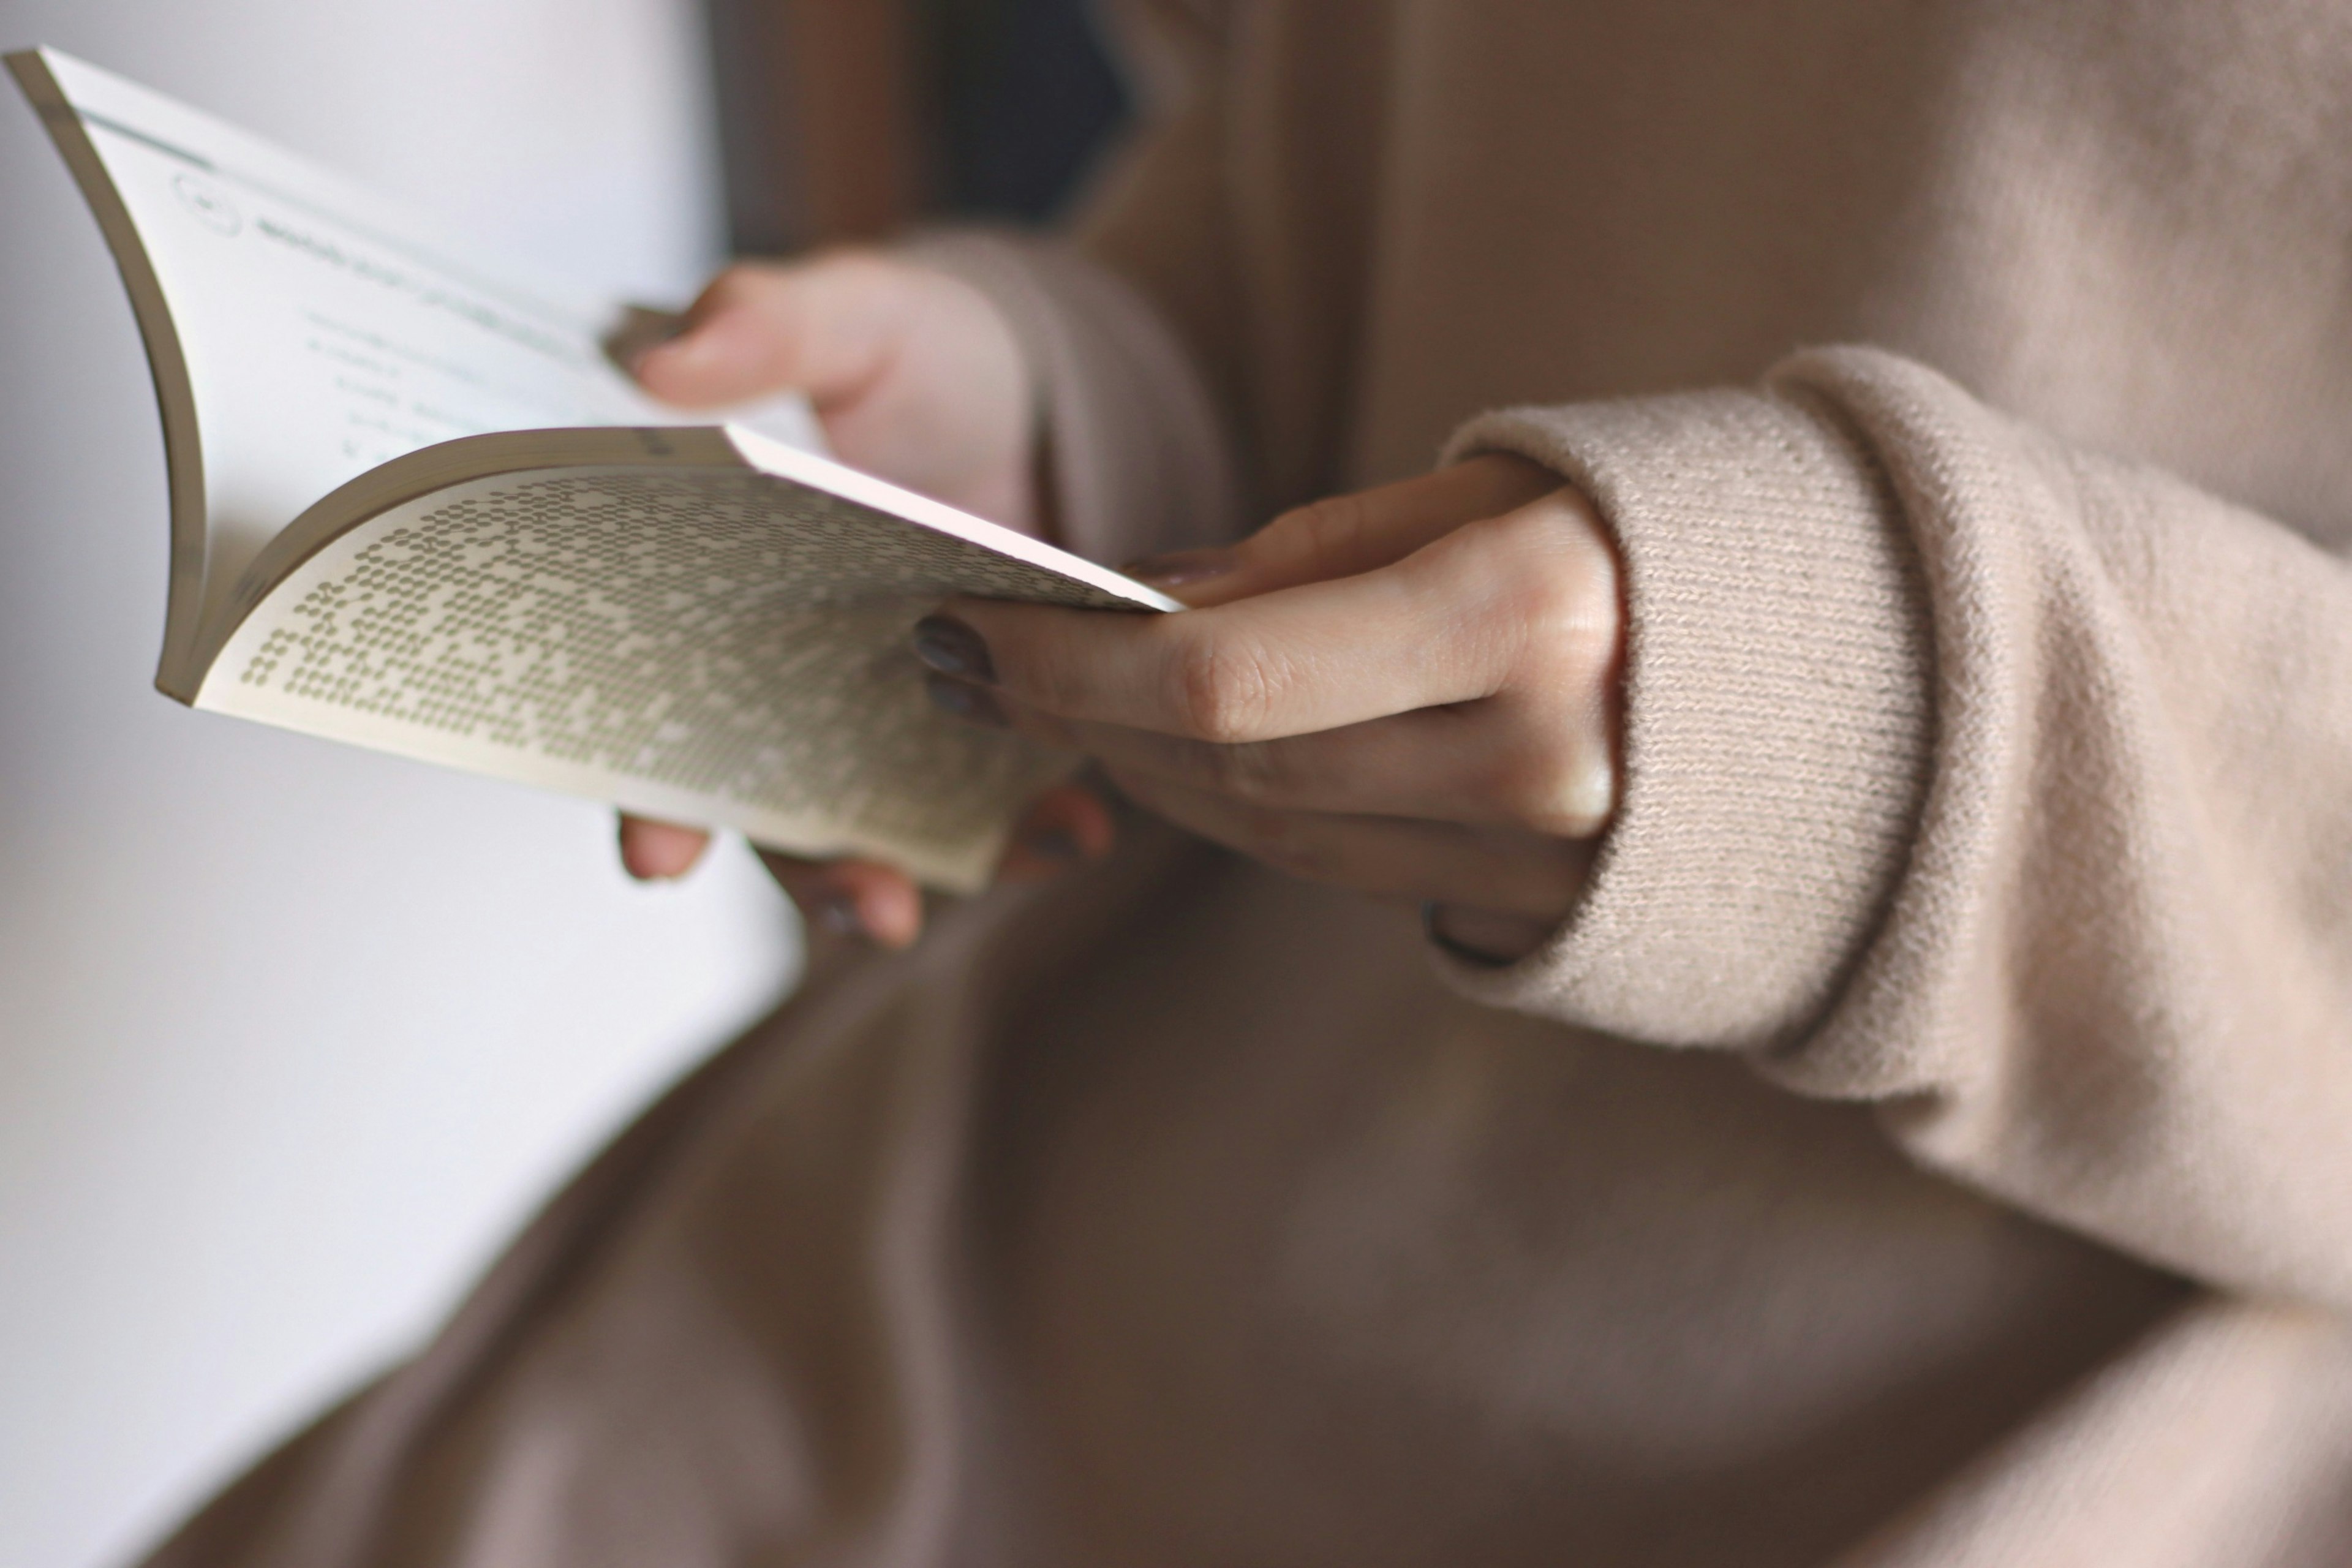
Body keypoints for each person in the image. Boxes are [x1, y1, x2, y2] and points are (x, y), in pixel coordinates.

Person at [146, 2, 2352, 1564]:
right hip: (1031, 1259)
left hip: (2042, 1420)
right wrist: (1085, 396)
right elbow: (1390, 152)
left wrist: (1885, 729)